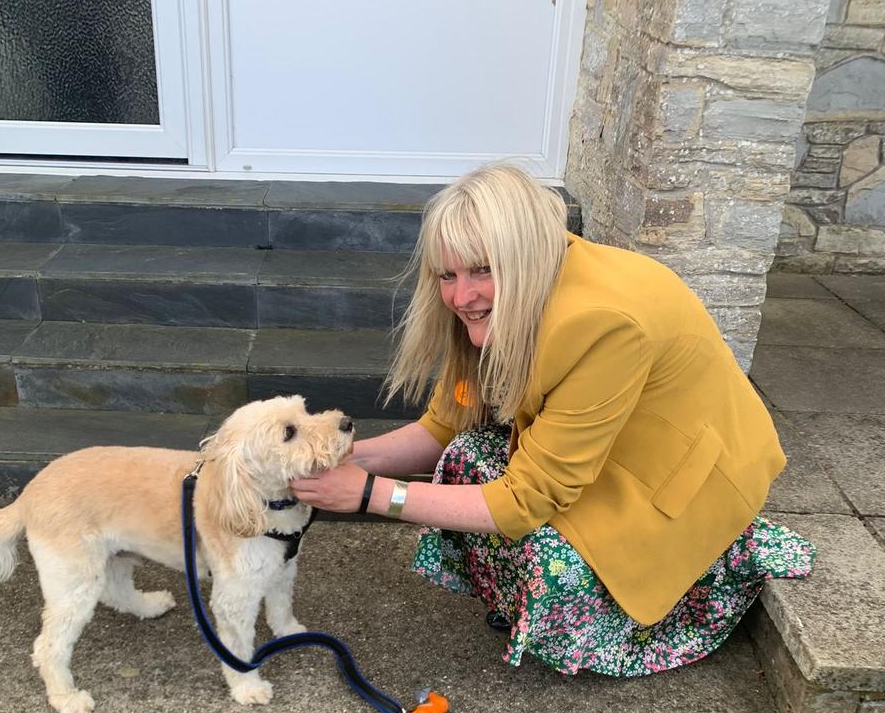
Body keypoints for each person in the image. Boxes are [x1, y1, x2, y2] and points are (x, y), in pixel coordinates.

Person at [291, 163, 814, 677]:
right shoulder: (508, 299)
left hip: (685, 480)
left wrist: (370, 496)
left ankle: (684, 587)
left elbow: (522, 503)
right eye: (447, 275)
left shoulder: (603, 324)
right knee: (466, 456)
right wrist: (336, 459)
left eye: (481, 269)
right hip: (612, 450)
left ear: (522, 256)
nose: (460, 297)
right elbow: (442, 427)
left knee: (546, 551)